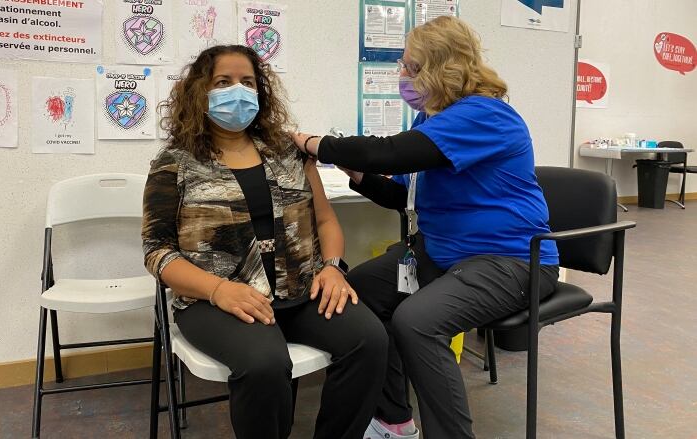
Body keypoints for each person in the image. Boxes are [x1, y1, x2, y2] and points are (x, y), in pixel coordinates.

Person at [292, 16, 560, 439]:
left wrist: (313, 143)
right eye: (403, 66)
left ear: (444, 68)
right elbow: (402, 196)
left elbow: (390, 153)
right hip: (441, 253)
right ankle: (394, 422)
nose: (402, 76)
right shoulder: (431, 121)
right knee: (356, 293)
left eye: (411, 68)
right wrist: (358, 175)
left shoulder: (485, 115)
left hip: (511, 261)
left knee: (417, 321)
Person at [141, 45, 388, 439]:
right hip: (216, 300)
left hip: (301, 290)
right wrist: (219, 290)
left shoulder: (288, 151)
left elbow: (324, 219)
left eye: (247, 82)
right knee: (265, 364)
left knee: (370, 340)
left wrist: (334, 268)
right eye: (223, 82)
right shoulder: (175, 161)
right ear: (200, 92)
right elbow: (157, 251)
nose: (237, 90)